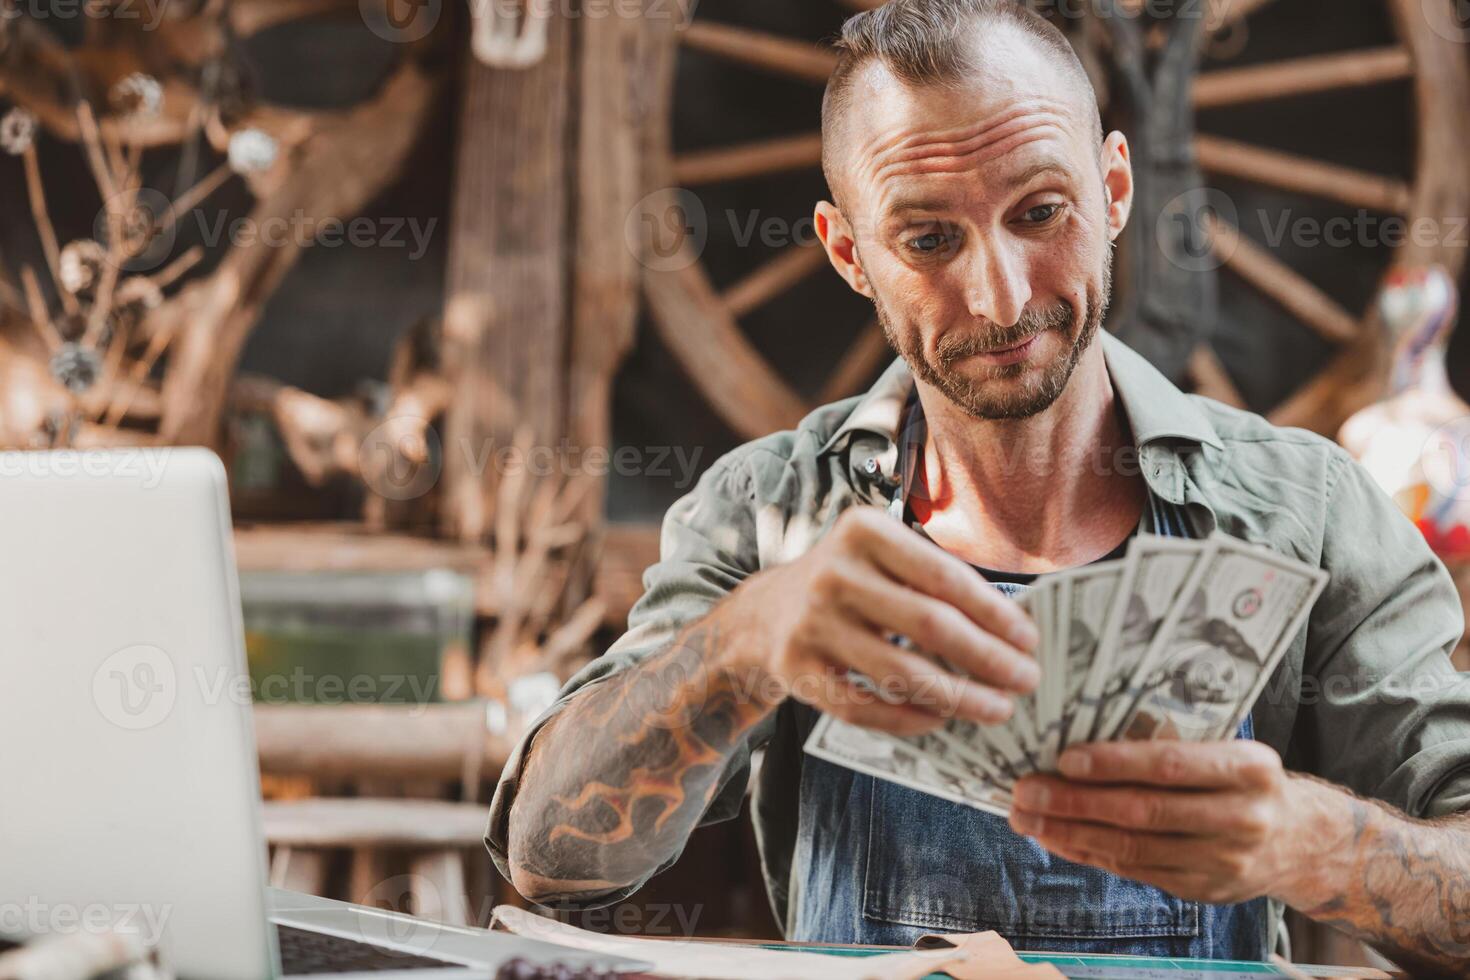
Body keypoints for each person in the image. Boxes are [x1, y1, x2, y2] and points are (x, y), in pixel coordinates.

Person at [486, 0, 1470, 972]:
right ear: (848, 252)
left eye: (1040, 212)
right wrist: (742, 645)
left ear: (1116, 186)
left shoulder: (1310, 511)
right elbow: (548, 861)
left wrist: (1313, 843)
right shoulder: (770, 510)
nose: (1000, 297)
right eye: (927, 240)